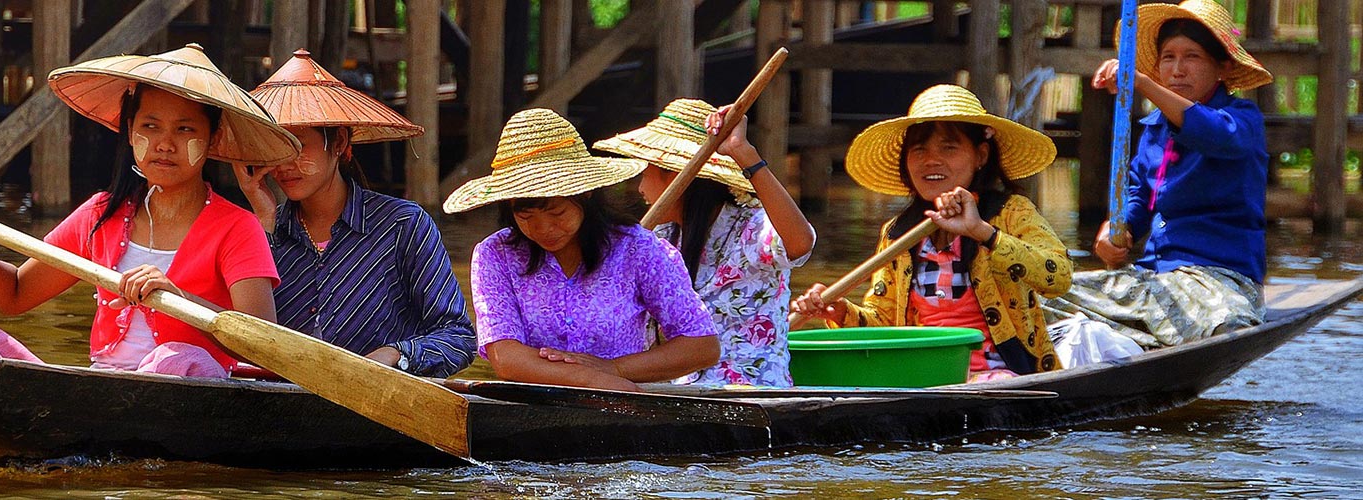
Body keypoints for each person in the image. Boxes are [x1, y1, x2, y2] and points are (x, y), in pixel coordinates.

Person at [0, 44, 299, 378]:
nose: (164, 144)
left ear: (212, 138)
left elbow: (265, 349)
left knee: (175, 359)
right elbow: (13, 294)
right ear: (131, 131)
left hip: (186, 385)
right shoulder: (102, 213)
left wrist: (182, 301)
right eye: (150, 127)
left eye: (185, 130)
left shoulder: (237, 227)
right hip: (104, 386)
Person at [791, 85, 1072, 381]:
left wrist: (982, 232)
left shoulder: (1012, 212)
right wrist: (838, 312)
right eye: (919, 149)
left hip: (1001, 374)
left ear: (981, 155)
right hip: (924, 376)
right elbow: (885, 324)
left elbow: (1060, 277)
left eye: (948, 147)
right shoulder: (898, 233)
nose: (931, 160)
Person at [231, 50, 475, 377]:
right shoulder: (261, 232)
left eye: (299, 146)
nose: (286, 164)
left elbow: (457, 337)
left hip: (380, 410)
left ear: (340, 142)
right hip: (285, 410)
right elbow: (247, 339)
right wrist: (261, 219)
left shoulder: (403, 225)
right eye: (277, 148)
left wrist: (395, 354)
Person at [444, 108, 719, 391]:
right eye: (526, 218)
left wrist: (615, 368)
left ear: (585, 194)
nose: (543, 229)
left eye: (557, 213)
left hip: (623, 407)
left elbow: (701, 345)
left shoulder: (637, 248)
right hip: (535, 410)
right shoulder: (495, 255)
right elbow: (507, 358)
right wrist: (592, 378)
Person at [1047, 0, 1272, 347]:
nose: (1177, 70)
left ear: (1222, 66)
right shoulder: (1153, 131)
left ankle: (1144, 334)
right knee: (1046, 296)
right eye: (1168, 57)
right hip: (1156, 281)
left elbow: (1213, 134)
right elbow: (1139, 198)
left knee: (1223, 324)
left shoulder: (1242, 120)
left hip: (1218, 282)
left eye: (1192, 57)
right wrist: (1115, 231)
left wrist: (1143, 85)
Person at [592, 99, 815, 387]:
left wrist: (744, 153)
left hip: (748, 394)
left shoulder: (751, 225)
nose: (640, 188)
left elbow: (800, 243)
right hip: (679, 393)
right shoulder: (659, 239)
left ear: (675, 176)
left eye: (646, 174)